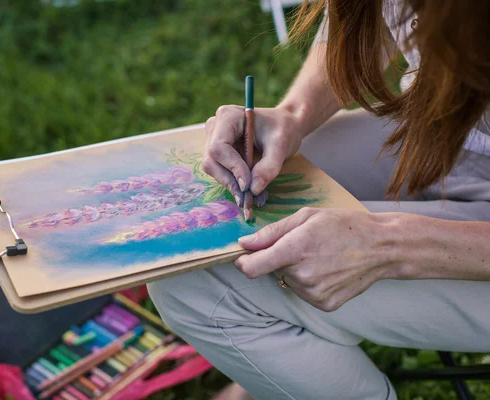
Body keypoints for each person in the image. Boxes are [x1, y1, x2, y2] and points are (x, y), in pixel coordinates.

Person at [147, 0, 490, 399]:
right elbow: (375, 16)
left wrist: (390, 243)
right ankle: (277, 354)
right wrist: (293, 115)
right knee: (244, 194)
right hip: (439, 131)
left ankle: (267, 337)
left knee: (196, 281)